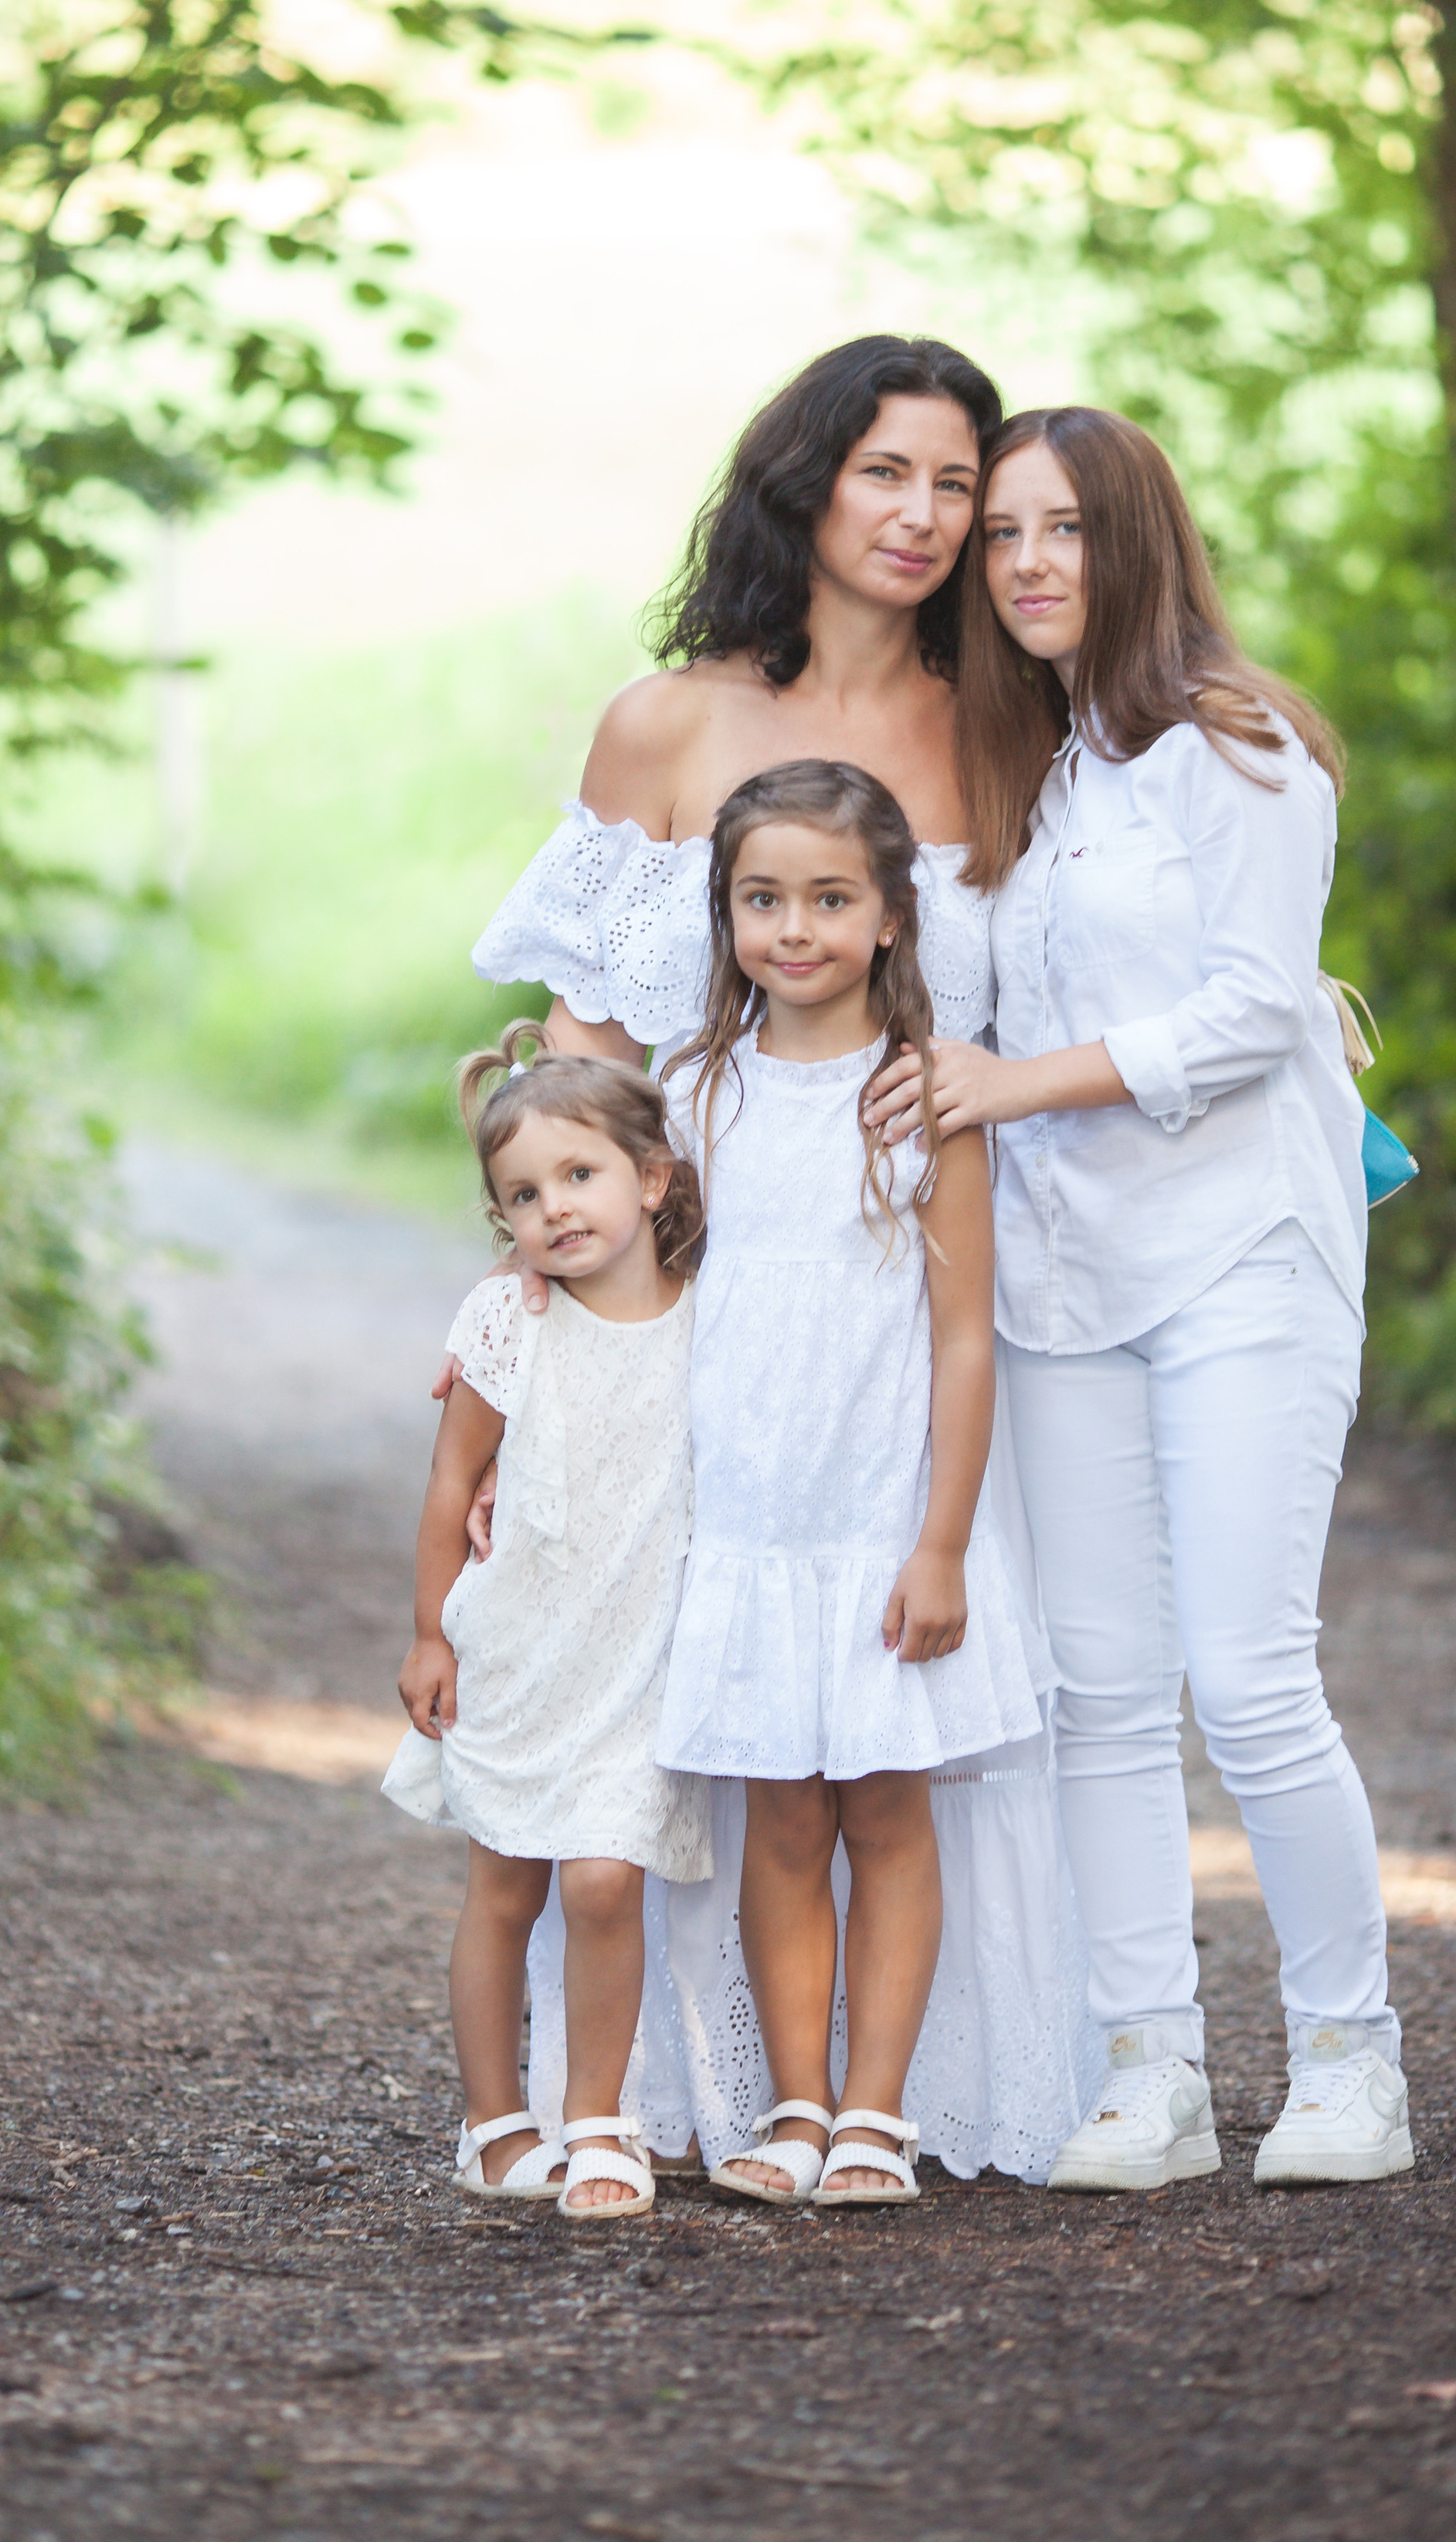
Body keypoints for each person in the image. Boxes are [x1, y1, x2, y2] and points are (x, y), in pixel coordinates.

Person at [467, 335, 1101, 2181]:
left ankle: (912, 2093)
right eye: (883, 474)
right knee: (712, 1709)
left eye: (954, 487)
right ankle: (690, 2092)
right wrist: (532, 1305)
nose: (921, 517)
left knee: (908, 1731)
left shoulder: (1015, 729)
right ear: (806, 481)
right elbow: (573, 1061)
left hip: (942, 1291)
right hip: (693, 1311)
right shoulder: (664, 725)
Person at [867, 405, 1411, 2190]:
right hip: (1061, 1271)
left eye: (1062, 528)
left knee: (1247, 1679)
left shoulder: (1235, 750)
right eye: (1001, 532)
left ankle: (1348, 2066)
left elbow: (1260, 1009)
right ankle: (1147, 2074)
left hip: (1244, 1250)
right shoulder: (1026, 772)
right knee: (1097, 1691)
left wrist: (1000, 1084)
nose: (1024, 560)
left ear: (1135, 544)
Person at [655, 761, 1037, 2204]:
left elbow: (961, 1337)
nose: (793, 928)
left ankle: (878, 2111)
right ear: (727, 914)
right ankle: (797, 2107)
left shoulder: (925, 1103)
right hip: (747, 1523)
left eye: (829, 898)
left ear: (890, 919)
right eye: (762, 899)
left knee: (885, 1811)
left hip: (879, 1519)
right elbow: (642, 1303)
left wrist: (940, 1544)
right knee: (783, 1823)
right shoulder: (695, 1095)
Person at [385, 1030, 710, 2221]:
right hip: (519, 1654)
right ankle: (493, 2126)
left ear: (653, 1179)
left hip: (637, 1664)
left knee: (605, 1881)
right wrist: (430, 1635)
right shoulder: (509, 1323)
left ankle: (601, 2122)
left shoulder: (707, 1316)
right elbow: (446, 1484)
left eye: (581, 1177)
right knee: (506, 1889)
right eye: (524, 1195)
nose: (555, 1209)